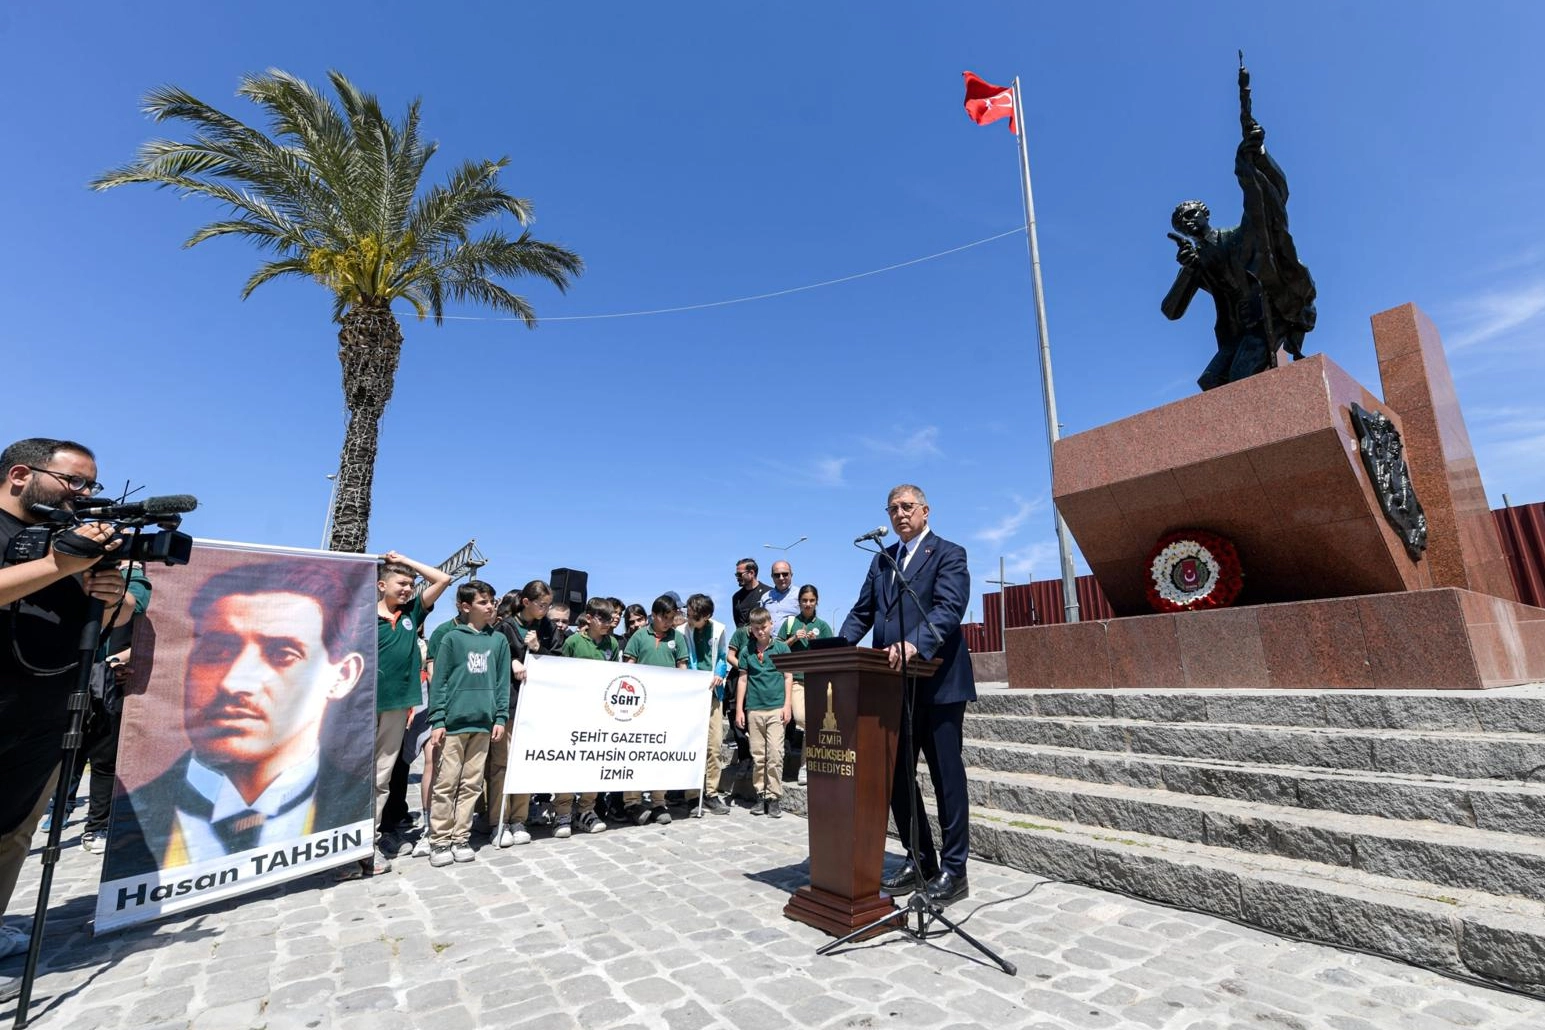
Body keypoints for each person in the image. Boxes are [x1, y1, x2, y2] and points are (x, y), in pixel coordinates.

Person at [109, 558, 371, 878]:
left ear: (342, 675)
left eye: (281, 655)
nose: (235, 682)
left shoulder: (354, 804)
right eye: (218, 652)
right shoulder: (132, 814)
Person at [0, 438, 128, 980]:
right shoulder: (56, 548)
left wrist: (112, 594)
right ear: (20, 475)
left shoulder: (67, 542)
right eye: (74, 482)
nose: (84, 495)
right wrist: (58, 564)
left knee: (12, 835)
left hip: (49, 713)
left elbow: (112, 626)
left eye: (91, 486)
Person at [839, 484, 976, 905]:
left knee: (945, 775)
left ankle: (955, 870)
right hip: (892, 684)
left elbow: (949, 609)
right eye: (892, 508)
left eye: (907, 506)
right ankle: (920, 859)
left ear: (925, 510)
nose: (899, 514)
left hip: (938, 681)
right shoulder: (883, 560)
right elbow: (863, 611)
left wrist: (916, 643)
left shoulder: (949, 553)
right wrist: (837, 650)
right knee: (896, 775)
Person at [1161, 93, 1316, 392]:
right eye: (1181, 223)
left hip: (1267, 317)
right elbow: (1171, 311)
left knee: (1239, 380)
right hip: (1236, 332)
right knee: (1210, 380)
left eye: (1191, 215)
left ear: (1206, 214)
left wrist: (1255, 156)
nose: (1188, 222)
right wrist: (1190, 270)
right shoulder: (1198, 260)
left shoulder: (1235, 237)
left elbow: (1265, 203)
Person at [370, 552, 451, 873]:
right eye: (401, 583)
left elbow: (443, 579)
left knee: (380, 777)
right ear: (380, 585)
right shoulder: (363, 616)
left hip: (396, 707)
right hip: (361, 706)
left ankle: (370, 843)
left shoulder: (411, 613)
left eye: (412, 584)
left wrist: (405, 560)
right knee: (355, 777)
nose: (408, 589)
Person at [424, 581, 509, 867]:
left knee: (472, 784)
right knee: (446, 783)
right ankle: (439, 840)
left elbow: (501, 683)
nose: (490, 606)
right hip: (453, 724)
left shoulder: (498, 641)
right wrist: (437, 719)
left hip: (483, 725)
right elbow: (440, 682)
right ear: (465, 606)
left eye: (492, 601)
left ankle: (461, 837)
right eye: (484, 602)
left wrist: (500, 717)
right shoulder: (451, 638)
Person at [489, 581, 561, 847]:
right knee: (502, 765)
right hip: (509, 703)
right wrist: (512, 661)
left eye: (548, 605)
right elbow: (493, 656)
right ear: (526, 602)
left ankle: (519, 818)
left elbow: (558, 658)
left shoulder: (547, 627)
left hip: (534, 705)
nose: (545, 609)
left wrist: (538, 648)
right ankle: (499, 820)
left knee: (524, 763)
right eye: (541, 604)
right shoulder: (506, 626)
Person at [620, 594, 688, 825]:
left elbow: (682, 667)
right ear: (655, 616)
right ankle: (633, 802)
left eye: (672, 618)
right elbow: (628, 667)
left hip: (666, 706)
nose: (669, 622)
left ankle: (659, 801)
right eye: (665, 618)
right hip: (640, 707)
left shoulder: (677, 638)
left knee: (661, 753)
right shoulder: (639, 636)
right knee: (635, 752)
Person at [555, 597, 618, 835]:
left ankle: (586, 809)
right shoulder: (573, 642)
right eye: (601, 618)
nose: (607, 624)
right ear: (589, 618)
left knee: (595, 760)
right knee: (570, 761)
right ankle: (562, 812)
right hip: (574, 710)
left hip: (599, 712)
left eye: (610, 619)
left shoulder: (612, 642)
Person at [734, 608, 792, 818]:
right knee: (759, 755)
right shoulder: (746, 651)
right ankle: (761, 794)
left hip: (776, 707)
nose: (761, 631)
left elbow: (788, 677)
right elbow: (742, 680)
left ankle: (774, 796)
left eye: (764, 627)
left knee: (775, 754)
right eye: (757, 628)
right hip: (754, 708)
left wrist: (787, 706)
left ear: (771, 625)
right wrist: (739, 709)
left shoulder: (782, 648)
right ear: (751, 628)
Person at [777, 584, 833, 787]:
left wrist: (817, 642)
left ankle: (806, 766)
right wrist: (793, 638)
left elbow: (831, 652)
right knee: (802, 718)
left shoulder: (824, 626)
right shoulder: (790, 623)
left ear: (817, 601)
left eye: (811, 600)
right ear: (799, 602)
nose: (808, 604)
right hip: (795, 680)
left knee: (816, 722)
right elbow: (778, 648)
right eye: (804, 600)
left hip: (816, 680)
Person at [683, 594, 730, 815]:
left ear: (707, 616)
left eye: (694, 617)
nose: (689, 620)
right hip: (691, 694)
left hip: (713, 693)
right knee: (693, 743)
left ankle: (711, 792)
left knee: (714, 745)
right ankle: (692, 794)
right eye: (688, 615)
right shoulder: (683, 631)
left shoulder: (719, 629)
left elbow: (722, 656)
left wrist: (720, 674)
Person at [761, 561, 800, 626]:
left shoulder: (800, 594)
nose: (781, 578)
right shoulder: (765, 597)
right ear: (772, 576)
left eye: (785, 574)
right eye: (777, 575)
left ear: (791, 575)